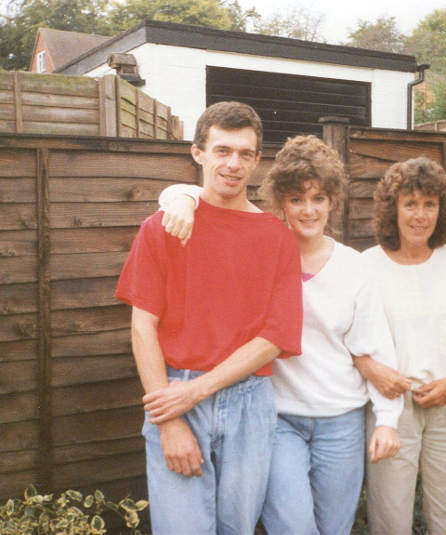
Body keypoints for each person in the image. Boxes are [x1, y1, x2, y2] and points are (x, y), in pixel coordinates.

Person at [157, 134, 403, 535]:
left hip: (341, 420)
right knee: (292, 527)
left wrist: (388, 420)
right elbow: (201, 198)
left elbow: (375, 347)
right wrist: (180, 197)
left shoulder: (356, 268)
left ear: (332, 202)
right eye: (296, 199)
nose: (308, 210)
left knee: (334, 528)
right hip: (280, 418)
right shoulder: (262, 247)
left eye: (319, 199)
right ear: (280, 202)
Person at [114, 101, 303, 535]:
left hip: (249, 401)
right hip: (173, 394)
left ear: (257, 160)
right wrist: (171, 417)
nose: (233, 164)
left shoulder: (275, 236)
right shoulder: (161, 227)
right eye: (222, 150)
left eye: (245, 153)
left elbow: (275, 336)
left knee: (236, 528)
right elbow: (143, 328)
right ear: (198, 152)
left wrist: (197, 391)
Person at [354, 157, 446, 535]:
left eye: (430, 204)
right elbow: (347, 341)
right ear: (391, 208)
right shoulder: (366, 266)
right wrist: (373, 370)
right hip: (392, 409)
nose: (420, 215)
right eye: (410, 204)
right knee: (389, 519)